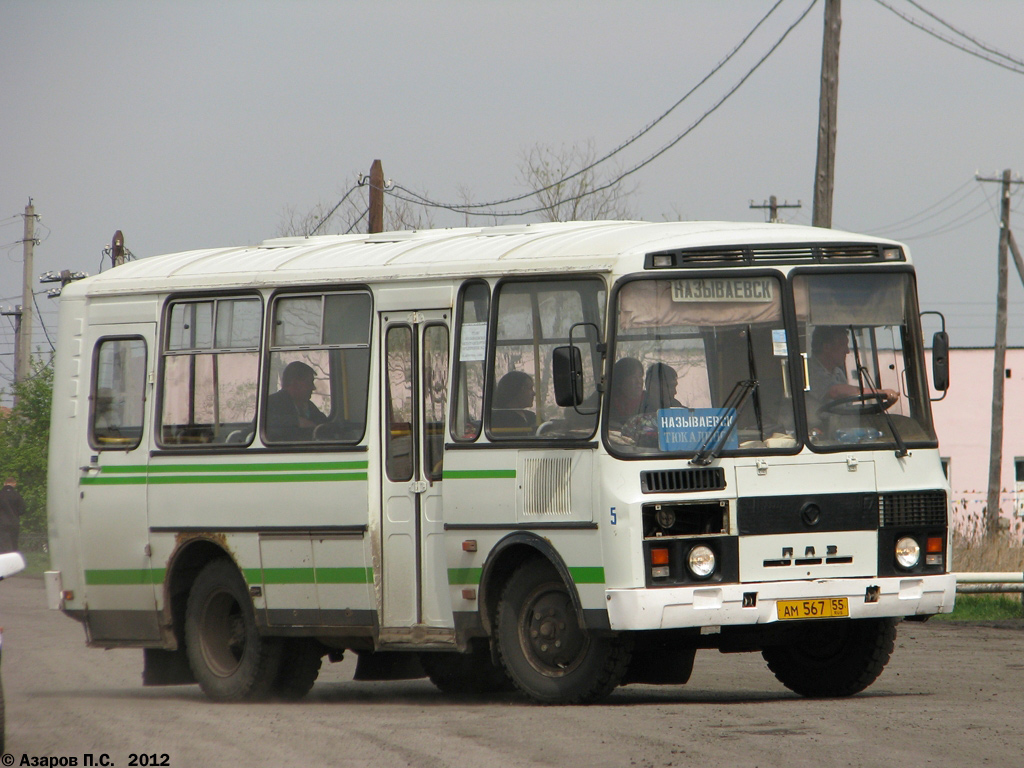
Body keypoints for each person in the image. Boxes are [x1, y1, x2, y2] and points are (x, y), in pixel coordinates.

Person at [807, 326, 899, 417]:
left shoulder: (837, 372)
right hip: (816, 427)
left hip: (838, 424)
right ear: (826, 347)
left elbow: (845, 407)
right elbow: (835, 392)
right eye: (842, 345)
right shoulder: (809, 371)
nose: (847, 351)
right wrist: (881, 392)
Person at [266, 361, 328, 441]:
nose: (313, 388)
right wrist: (296, 421)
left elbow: (323, 423)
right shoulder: (272, 403)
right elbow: (262, 423)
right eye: (309, 383)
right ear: (294, 383)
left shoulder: (308, 406)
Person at [608, 357, 644, 428]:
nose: (639, 381)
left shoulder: (649, 401)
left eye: (640, 376)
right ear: (620, 381)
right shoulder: (607, 400)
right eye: (633, 377)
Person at [0, 477, 25, 553]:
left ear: (4, 484)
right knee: (14, 545)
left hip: (1, 524)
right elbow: (22, 510)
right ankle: (13, 562)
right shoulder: (17, 495)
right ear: (14, 484)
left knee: (2, 545)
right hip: (14, 523)